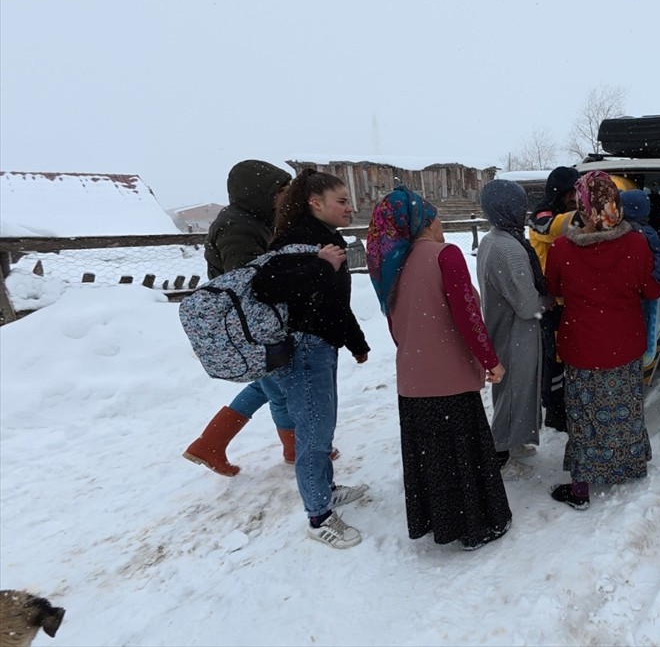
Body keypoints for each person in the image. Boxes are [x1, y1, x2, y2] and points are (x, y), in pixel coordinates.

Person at [367, 188, 512, 551]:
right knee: (465, 458)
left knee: (433, 460)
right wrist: (489, 360)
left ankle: (440, 522)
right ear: (426, 222)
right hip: (449, 380)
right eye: (438, 219)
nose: (443, 226)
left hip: (413, 381)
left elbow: (395, 325)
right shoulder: (445, 255)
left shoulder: (393, 266)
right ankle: (478, 526)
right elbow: (467, 316)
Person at [184, 159, 342, 476]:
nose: (286, 197)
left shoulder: (256, 219)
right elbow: (246, 279)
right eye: (280, 191)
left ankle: (210, 444)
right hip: (250, 326)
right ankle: (293, 448)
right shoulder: (237, 227)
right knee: (278, 387)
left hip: (262, 322)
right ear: (258, 192)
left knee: (269, 384)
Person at [252, 169, 371, 549]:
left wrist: (355, 341)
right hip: (304, 349)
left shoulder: (324, 238)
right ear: (315, 203)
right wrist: (321, 264)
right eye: (341, 200)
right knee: (314, 433)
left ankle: (327, 489)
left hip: (322, 345)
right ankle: (318, 516)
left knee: (322, 425)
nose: (349, 207)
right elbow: (265, 286)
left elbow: (332, 301)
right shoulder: (295, 241)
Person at [544, 172, 660, 510]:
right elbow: (650, 288)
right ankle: (630, 466)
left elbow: (554, 289)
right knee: (625, 412)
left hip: (581, 347)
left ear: (581, 205)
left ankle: (580, 489)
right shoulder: (637, 243)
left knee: (584, 418)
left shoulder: (562, 248)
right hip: (625, 345)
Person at [477, 180, 549, 478]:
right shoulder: (509, 249)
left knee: (511, 389)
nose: (525, 210)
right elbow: (527, 304)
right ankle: (499, 454)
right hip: (514, 333)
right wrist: (549, 300)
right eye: (521, 205)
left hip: (501, 327)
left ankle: (514, 439)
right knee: (513, 390)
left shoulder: (492, 239)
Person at [528, 166, 582, 433]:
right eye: (571, 191)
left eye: (578, 191)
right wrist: (585, 215)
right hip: (550, 301)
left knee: (567, 355)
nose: (575, 196)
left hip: (567, 298)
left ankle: (564, 403)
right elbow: (549, 228)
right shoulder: (543, 213)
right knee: (555, 358)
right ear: (559, 192)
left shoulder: (565, 212)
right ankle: (555, 410)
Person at [620, 189, 660, 371]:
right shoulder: (644, 231)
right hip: (640, 287)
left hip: (645, 287)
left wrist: (654, 279)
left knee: (649, 319)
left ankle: (647, 352)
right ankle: (644, 351)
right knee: (646, 319)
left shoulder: (644, 233)